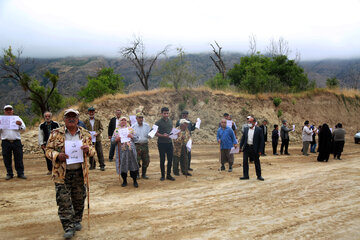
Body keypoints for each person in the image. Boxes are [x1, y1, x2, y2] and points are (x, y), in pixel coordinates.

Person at [45, 109, 95, 239]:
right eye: (68, 117)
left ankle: (77, 220)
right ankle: (68, 226)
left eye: (74, 116)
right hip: (62, 174)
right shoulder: (55, 133)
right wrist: (57, 155)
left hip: (79, 173)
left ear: (78, 119)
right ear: (64, 119)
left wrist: (88, 149)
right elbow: (48, 150)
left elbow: (93, 151)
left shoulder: (85, 134)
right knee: (64, 201)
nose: (71, 119)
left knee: (79, 199)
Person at [0, 105, 27, 180]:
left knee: (18, 157)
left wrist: (20, 124)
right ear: (4, 111)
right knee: (6, 158)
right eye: (7, 110)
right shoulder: (1, 119)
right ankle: (9, 173)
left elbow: (24, 129)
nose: (8, 111)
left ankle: (20, 173)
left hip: (16, 141)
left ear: (12, 111)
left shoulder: (17, 118)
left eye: (10, 110)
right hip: (6, 141)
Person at [112, 116, 139, 187]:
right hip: (122, 152)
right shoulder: (116, 130)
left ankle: (135, 181)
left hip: (131, 152)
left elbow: (137, 138)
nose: (123, 122)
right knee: (123, 166)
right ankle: (124, 181)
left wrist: (132, 136)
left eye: (125, 120)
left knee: (133, 165)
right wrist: (116, 139)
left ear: (127, 121)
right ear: (119, 122)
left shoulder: (130, 129)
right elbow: (112, 141)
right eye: (122, 120)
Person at [239, 117, 265, 181]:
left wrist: (260, 151)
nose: (249, 123)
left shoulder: (259, 130)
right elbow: (243, 138)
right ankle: (246, 175)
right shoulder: (246, 129)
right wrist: (240, 147)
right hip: (247, 147)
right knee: (245, 162)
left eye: (250, 122)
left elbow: (262, 141)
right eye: (248, 122)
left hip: (254, 148)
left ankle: (259, 175)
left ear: (254, 122)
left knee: (256, 162)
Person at [155, 107, 175, 181]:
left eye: (167, 113)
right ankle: (162, 175)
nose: (166, 115)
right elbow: (154, 133)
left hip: (169, 143)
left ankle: (168, 175)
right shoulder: (158, 122)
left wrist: (173, 134)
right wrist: (163, 135)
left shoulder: (170, 121)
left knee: (170, 160)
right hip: (161, 143)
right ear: (161, 113)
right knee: (162, 160)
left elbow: (171, 130)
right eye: (164, 113)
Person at [132, 112, 151, 179]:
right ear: (136, 119)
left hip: (145, 145)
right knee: (137, 160)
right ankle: (137, 174)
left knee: (146, 160)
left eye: (142, 117)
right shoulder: (133, 126)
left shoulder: (147, 126)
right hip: (137, 145)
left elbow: (150, 135)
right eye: (139, 118)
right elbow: (131, 136)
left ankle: (144, 174)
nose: (141, 119)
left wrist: (151, 134)